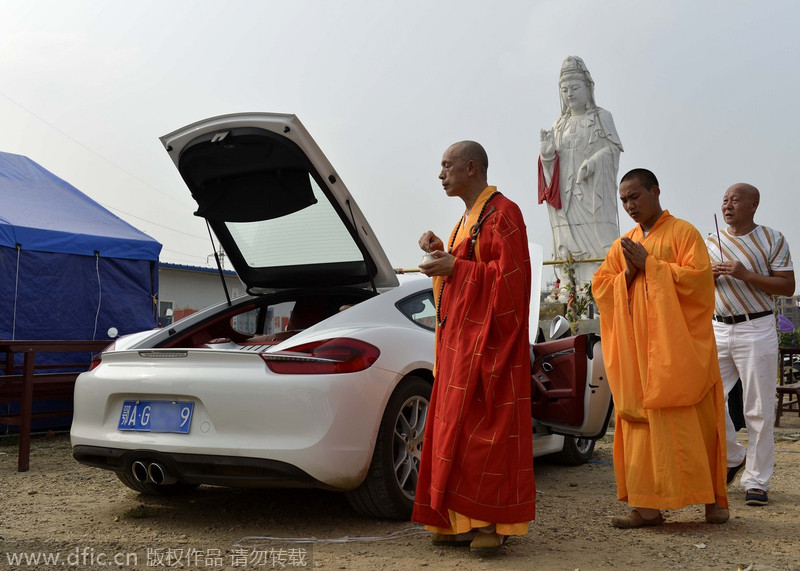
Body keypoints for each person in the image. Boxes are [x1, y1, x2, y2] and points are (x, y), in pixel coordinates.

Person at [412, 141, 533, 553]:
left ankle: (489, 524)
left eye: (446, 167)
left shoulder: (504, 213)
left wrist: (456, 268)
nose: (441, 175)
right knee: (455, 431)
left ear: (470, 167)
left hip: (490, 345)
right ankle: (454, 520)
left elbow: (511, 282)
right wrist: (441, 256)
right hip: (458, 344)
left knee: (487, 432)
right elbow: (467, 273)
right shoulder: (465, 220)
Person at [592, 168, 729, 528]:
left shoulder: (684, 232)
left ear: (655, 192)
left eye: (635, 196)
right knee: (642, 424)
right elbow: (601, 289)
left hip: (678, 352)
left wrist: (650, 265)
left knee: (695, 422)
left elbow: (700, 284)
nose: (629, 205)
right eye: (623, 200)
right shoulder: (623, 242)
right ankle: (647, 507)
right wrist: (628, 275)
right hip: (637, 351)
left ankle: (712, 502)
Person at [707, 183, 795, 506]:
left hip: (756, 326)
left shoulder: (773, 239)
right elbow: (697, 285)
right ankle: (733, 456)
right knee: (708, 395)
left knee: (757, 406)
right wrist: (709, 278)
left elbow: (787, 285)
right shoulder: (711, 241)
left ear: (754, 204)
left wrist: (745, 274)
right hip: (717, 327)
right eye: (725, 199)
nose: (727, 205)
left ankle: (757, 481)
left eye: (735, 199)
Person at [539, 55, 624, 285]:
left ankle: (603, 284)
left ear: (588, 88)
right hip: (567, 197)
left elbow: (613, 151)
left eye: (575, 88)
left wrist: (594, 162)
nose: (570, 94)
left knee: (599, 245)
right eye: (565, 90)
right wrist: (547, 154)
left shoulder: (602, 117)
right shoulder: (559, 125)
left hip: (593, 195)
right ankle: (571, 288)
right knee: (568, 246)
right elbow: (552, 171)